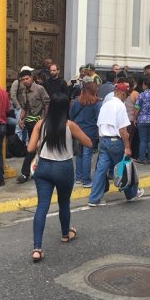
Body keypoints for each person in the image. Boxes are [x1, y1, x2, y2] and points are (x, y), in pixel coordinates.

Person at [27, 93, 92, 262]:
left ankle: (37, 248)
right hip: (63, 168)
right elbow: (89, 143)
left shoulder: (40, 124)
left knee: (42, 205)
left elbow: (29, 148)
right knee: (64, 202)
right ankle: (65, 234)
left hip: (43, 168)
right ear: (66, 108)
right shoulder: (70, 125)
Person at [87, 83, 143, 207]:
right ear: (122, 94)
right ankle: (132, 193)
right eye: (126, 95)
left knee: (100, 170)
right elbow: (123, 130)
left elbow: (99, 124)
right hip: (115, 141)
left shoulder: (105, 104)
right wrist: (127, 147)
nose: (125, 98)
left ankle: (94, 198)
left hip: (104, 140)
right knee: (124, 167)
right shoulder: (120, 106)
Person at [16, 69, 50, 183]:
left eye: (27, 78)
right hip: (31, 123)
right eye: (23, 80)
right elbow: (25, 108)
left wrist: (44, 121)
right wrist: (21, 119)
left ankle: (26, 173)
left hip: (41, 123)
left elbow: (47, 104)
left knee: (36, 148)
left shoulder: (39, 89)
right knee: (33, 147)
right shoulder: (23, 92)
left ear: (32, 78)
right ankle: (29, 172)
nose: (25, 81)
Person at [69, 82, 101, 188]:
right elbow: (98, 119)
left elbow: (71, 115)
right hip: (90, 133)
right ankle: (86, 180)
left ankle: (78, 177)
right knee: (87, 156)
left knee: (79, 155)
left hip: (78, 131)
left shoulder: (77, 102)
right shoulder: (96, 103)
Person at [134, 78, 150, 166]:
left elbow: (137, 108)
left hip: (142, 120)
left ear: (145, 85)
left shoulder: (141, 95)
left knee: (143, 140)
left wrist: (135, 118)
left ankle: (142, 158)